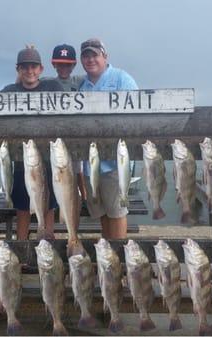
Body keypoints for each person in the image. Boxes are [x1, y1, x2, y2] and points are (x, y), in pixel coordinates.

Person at [77, 38, 138, 239]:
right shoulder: (82, 87)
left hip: (115, 164)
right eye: (85, 56)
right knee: (102, 213)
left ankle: (118, 257)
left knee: (117, 212)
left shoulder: (122, 79)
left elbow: (137, 114)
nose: (90, 59)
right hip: (91, 163)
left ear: (105, 56)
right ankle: (108, 256)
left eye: (94, 55)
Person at [0, 46, 62, 240]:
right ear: (18, 70)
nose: (29, 71)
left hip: (49, 159)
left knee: (48, 205)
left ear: (41, 69)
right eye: (25, 67)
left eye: (34, 66)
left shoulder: (53, 87)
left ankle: (47, 243)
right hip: (21, 160)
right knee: (22, 208)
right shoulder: (9, 91)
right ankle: (21, 249)